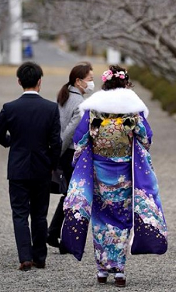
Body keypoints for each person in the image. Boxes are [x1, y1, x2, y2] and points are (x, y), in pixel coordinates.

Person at [61, 65, 167, 288]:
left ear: (106, 83)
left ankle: (101, 270)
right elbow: (146, 138)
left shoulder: (94, 108)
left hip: (99, 173)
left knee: (100, 219)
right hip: (125, 173)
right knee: (121, 219)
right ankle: (119, 271)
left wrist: (82, 157)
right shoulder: (132, 107)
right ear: (125, 83)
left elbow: (80, 140)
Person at [0, 62, 62, 271]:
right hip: (42, 168)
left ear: (19, 81)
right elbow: (56, 142)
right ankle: (40, 257)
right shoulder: (50, 108)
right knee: (39, 214)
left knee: (20, 213)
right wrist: (52, 163)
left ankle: (25, 257)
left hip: (18, 167)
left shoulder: (10, 108)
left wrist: (10, 142)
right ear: (40, 81)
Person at [47, 62, 94, 252]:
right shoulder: (80, 103)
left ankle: (54, 232)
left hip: (61, 151)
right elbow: (69, 133)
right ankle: (60, 236)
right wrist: (56, 155)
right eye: (90, 79)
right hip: (69, 153)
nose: (92, 83)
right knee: (74, 195)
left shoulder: (64, 96)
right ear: (79, 80)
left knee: (69, 194)